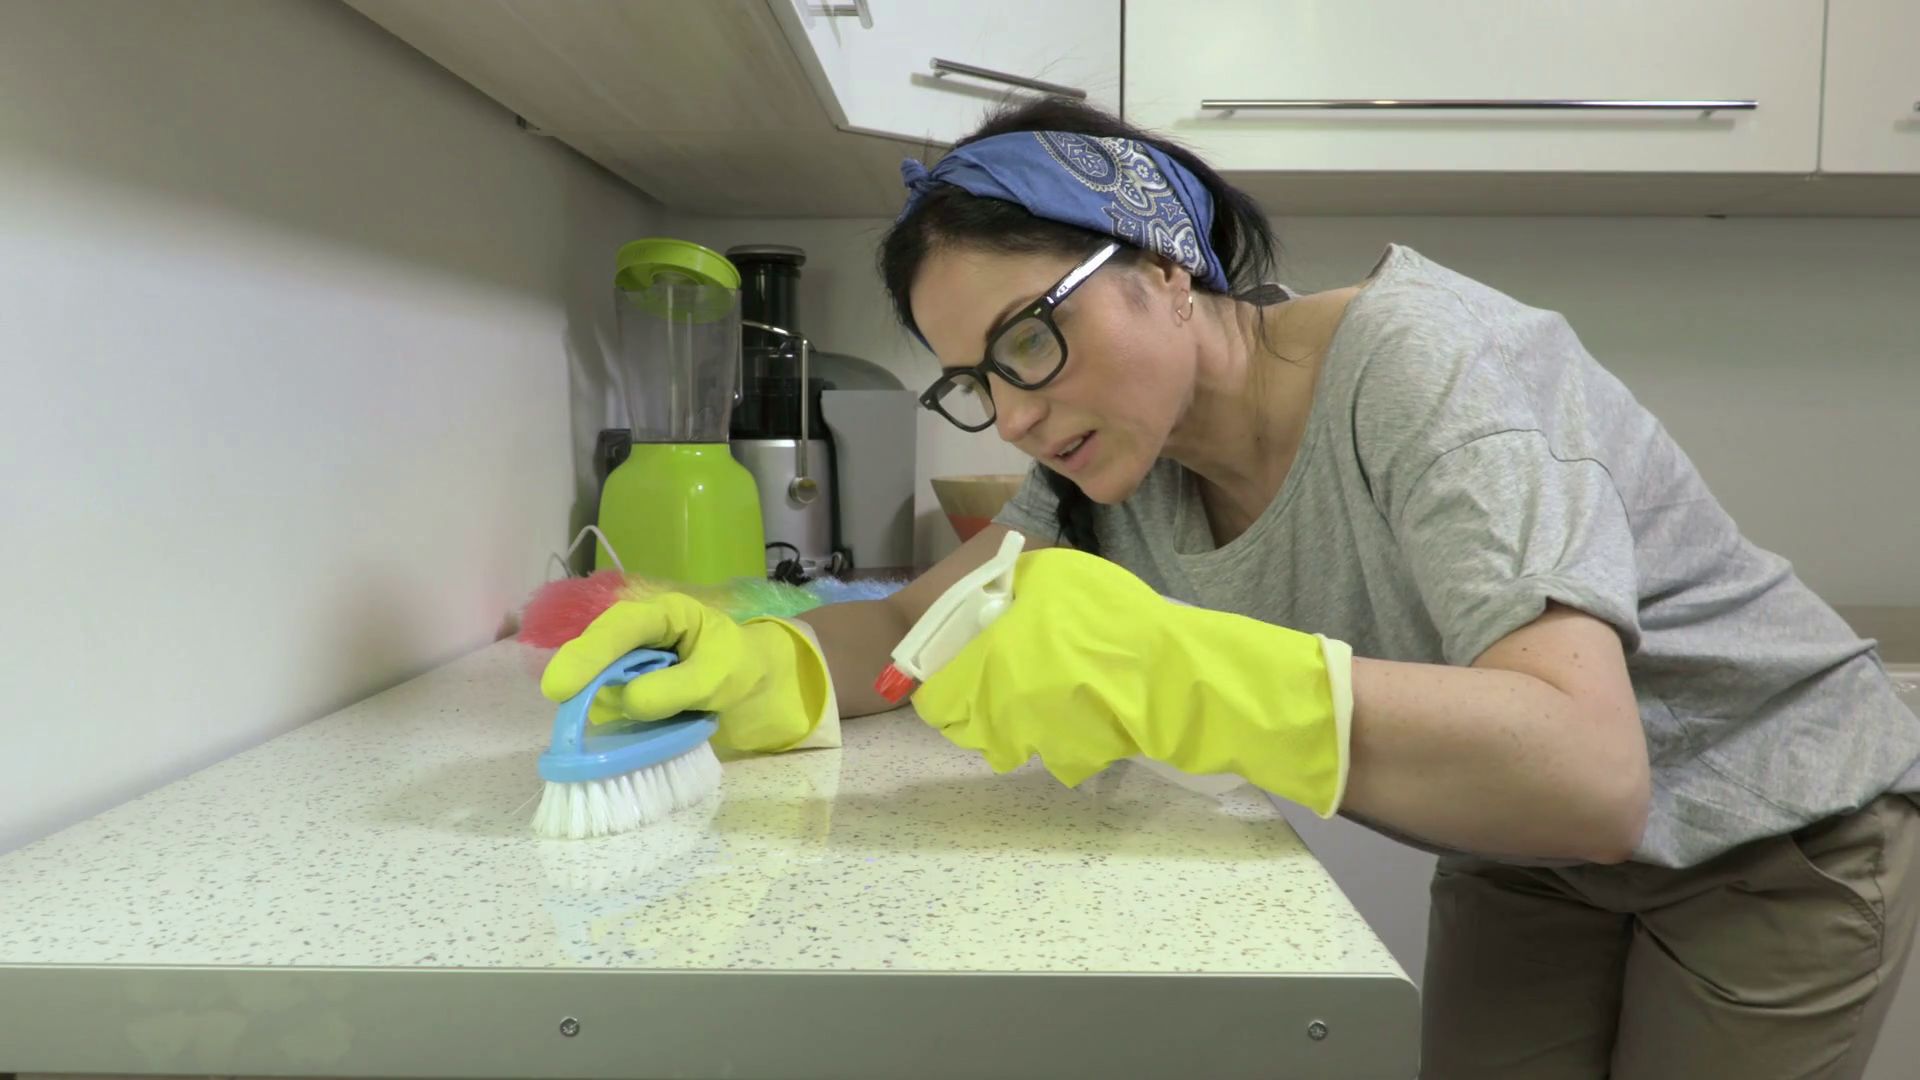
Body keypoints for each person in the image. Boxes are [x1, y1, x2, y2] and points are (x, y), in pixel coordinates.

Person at [540, 97, 1920, 1079]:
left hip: (1769, 822)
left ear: (1160, 262)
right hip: (1529, 860)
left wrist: (1183, 675)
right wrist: (748, 666)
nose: (1012, 415)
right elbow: (916, 623)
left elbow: (1589, 765)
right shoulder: (1108, 467)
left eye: (1030, 339)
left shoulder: (1427, 368)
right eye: (975, 379)